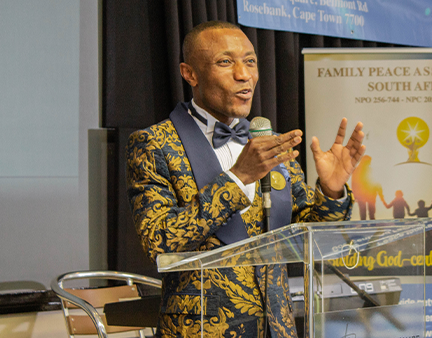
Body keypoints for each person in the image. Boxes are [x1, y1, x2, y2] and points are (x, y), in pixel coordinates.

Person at [126, 21, 366, 338]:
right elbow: (159, 241)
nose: (244, 75)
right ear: (190, 74)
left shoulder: (271, 143)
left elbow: (312, 237)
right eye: (226, 62)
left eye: (250, 61)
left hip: (277, 328)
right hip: (203, 330)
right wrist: (238, 177)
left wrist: (332, 191)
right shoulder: (154, 144)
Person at [350, 155, 384, 220]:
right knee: (368, 214)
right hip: (366, 195)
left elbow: (376, 183)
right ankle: (369, 224)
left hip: (366, 195)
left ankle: (368, 224)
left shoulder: (358, 170)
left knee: (366, 214)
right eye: (369, 161)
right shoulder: (366, 170)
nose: (370, 163)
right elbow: (354, 183)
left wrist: (354, 195)